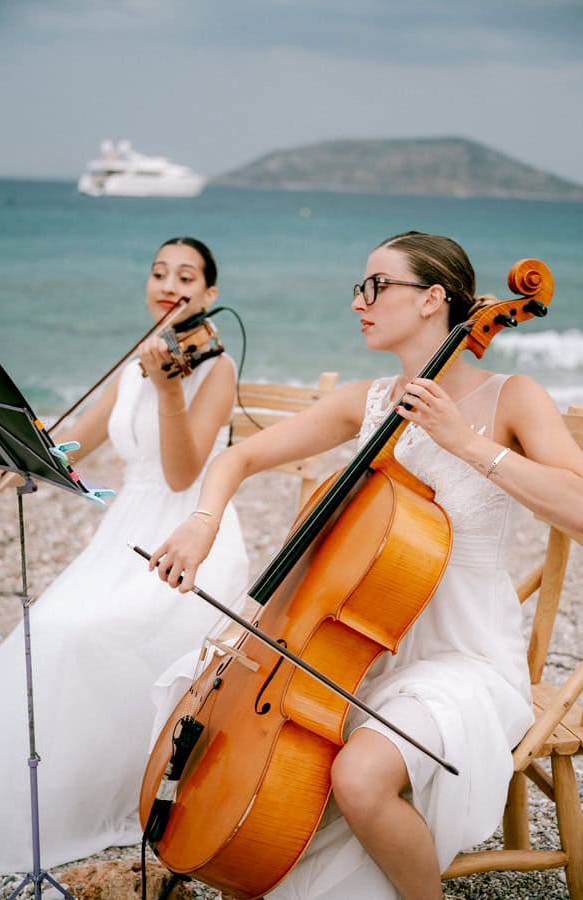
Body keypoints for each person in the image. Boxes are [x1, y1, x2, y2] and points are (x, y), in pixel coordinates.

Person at [148, 231, 583, 900]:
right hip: (354, 655)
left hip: (461, 662)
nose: (358, 301)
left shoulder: (513, 397)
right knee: (199, 708)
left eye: (375, 286)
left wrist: (466, 444)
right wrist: (202, 522)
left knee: (358, 778)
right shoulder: (369, 400)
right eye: (359, 287)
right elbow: (237, 458)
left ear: (434, 299)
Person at [0, 237, 249, 875]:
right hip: (125, 528)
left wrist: (168, 392)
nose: (170, 283)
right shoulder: (141, 355)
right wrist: (15, 463)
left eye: (187, 276)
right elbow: (82, 438)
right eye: (160, 272)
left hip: (189, 536)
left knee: (85, 632)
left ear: (210, 295)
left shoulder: (216, 365)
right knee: (44, 627)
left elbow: (186, 475)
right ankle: (23, 798)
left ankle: (102, 801)